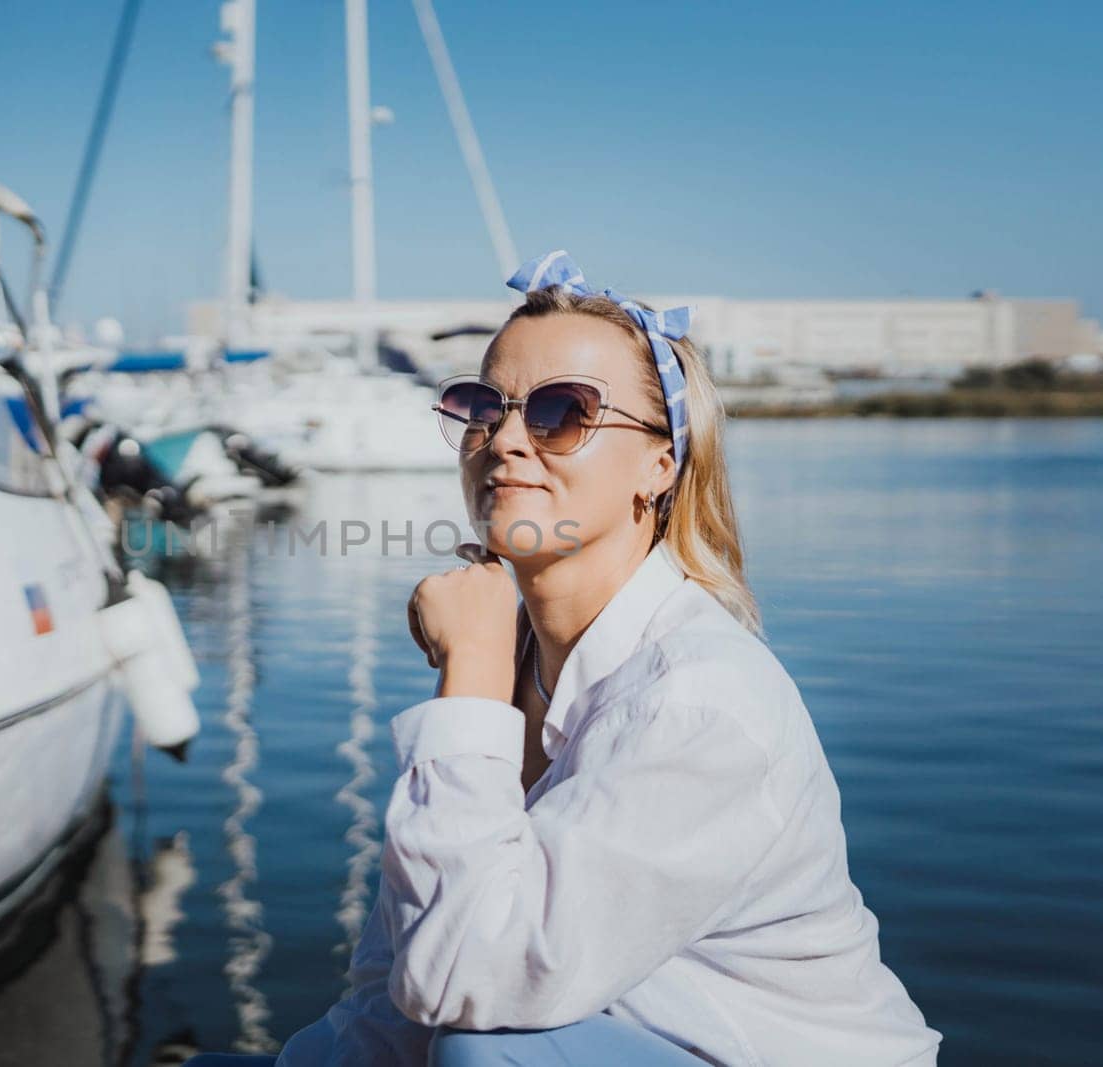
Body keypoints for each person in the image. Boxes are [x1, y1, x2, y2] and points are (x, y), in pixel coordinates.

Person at [189, 251, 941, 1066]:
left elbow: (467, 981)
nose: (505, 439)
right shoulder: (518, 664)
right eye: (484, 407)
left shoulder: (699, 701)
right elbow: (399, 976)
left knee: (482, 1055)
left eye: (562, 412)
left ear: (660, 466)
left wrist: (469, 671)